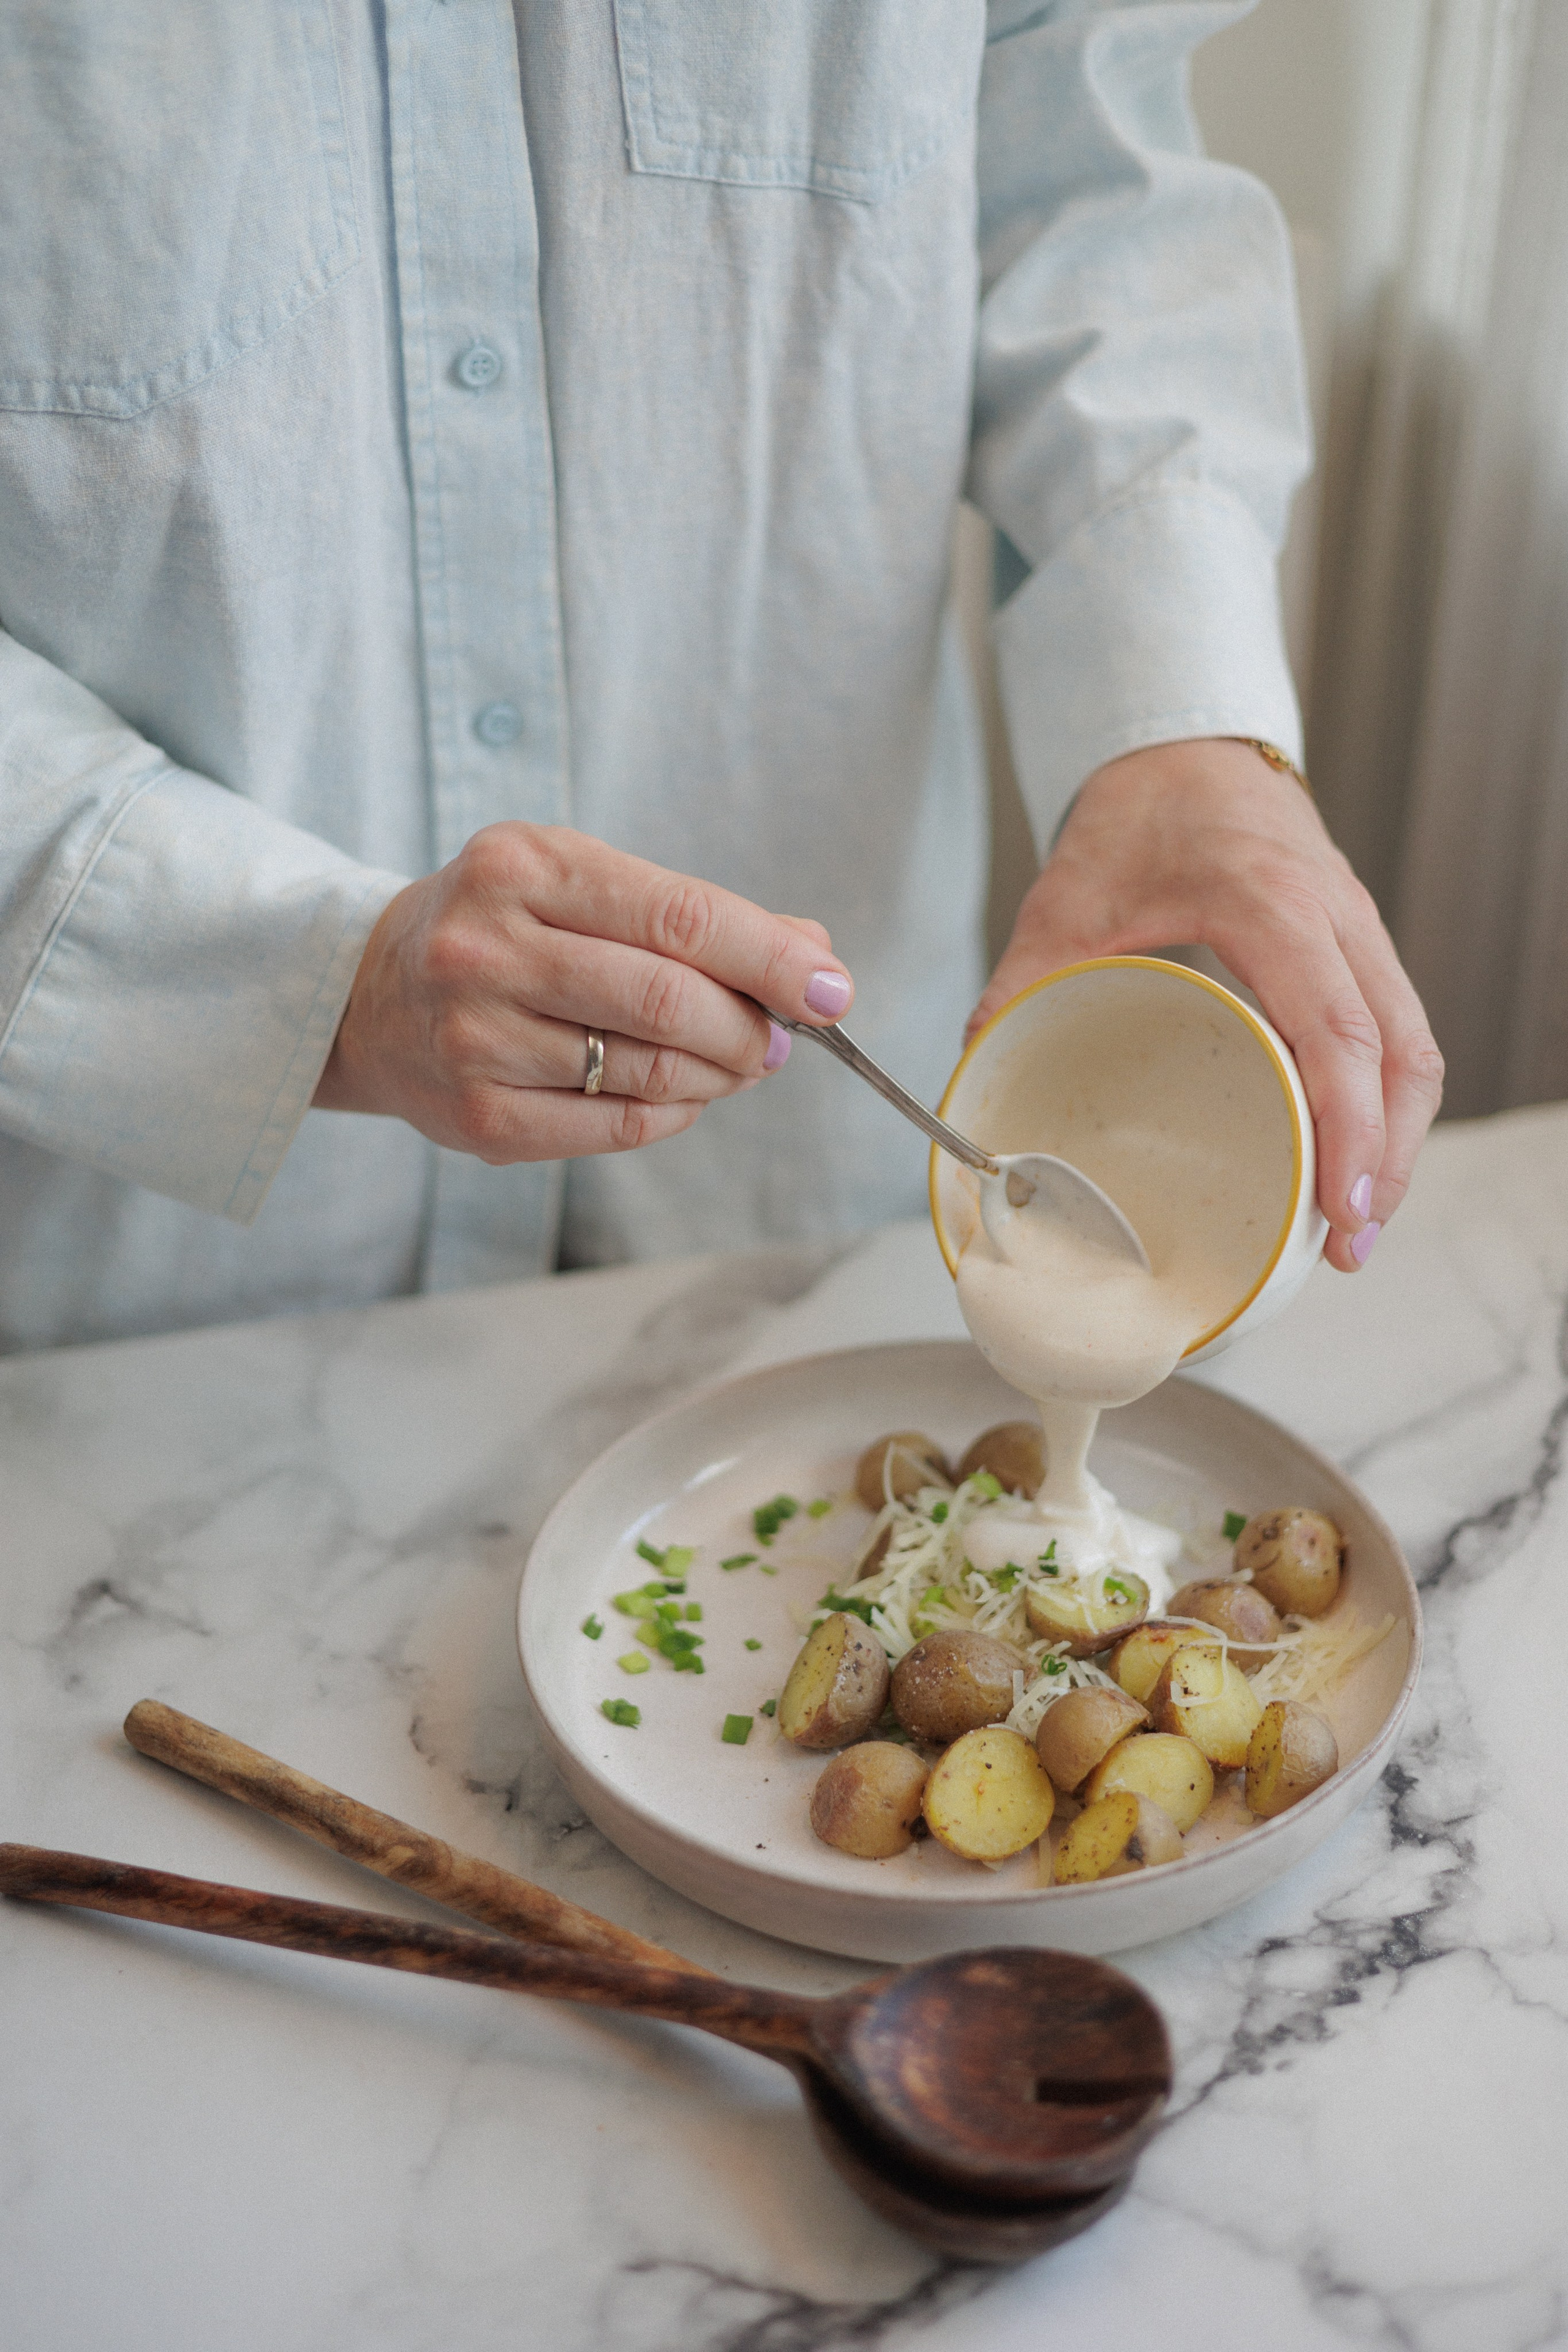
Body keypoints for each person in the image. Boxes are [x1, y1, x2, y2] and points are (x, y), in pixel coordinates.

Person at [0, 1, 1442, 1353]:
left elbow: (1079, 160)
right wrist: (305, 978)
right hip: (158, 1311)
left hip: (800, 1223)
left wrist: (1177, 723)